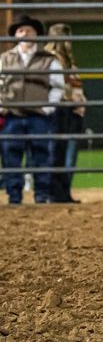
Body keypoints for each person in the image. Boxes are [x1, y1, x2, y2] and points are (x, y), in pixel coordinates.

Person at [0, 14, 64, 205]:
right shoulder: (4, 59)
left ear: (36, 34)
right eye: (21, 30)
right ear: (16, 35)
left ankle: (41, 195)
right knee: (11, 157)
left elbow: (58, 86)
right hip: (12, 116)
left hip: (39, 116)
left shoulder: (49, 60)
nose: (25, 33)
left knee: (41, 156)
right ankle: (14, 196)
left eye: (29, 30)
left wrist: (47, 108)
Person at [44, 23, 86, 204]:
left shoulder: (66, 60)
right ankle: (55, 194)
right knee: (56, 153)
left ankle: (62, 193)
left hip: (71, 111)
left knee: (64, 153)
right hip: (58, 109)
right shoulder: (51, 59)